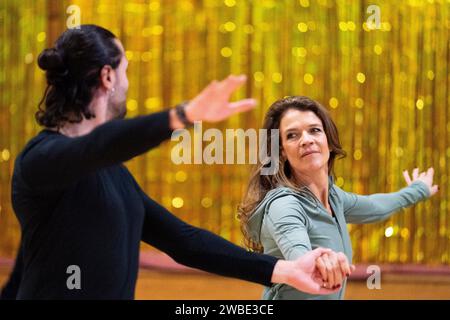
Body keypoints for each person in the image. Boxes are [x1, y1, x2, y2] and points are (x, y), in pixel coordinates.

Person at [0, 25, 353, 300]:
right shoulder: (41, 160)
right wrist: (180, 116)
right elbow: (94, 147)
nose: (127, 81)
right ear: (108, 77)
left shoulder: (113, 175)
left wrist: (284, 270)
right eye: (125, 70)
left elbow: (185, 242)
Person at [238, 96, 438, 300]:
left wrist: (418, 190)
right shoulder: (284, 205)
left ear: (329, 141)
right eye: (292, 135)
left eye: (315, 130)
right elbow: (300, 257)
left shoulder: (335, 198)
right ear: (282, 152)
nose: (306, 140)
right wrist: (320, 261)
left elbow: (375, 206)